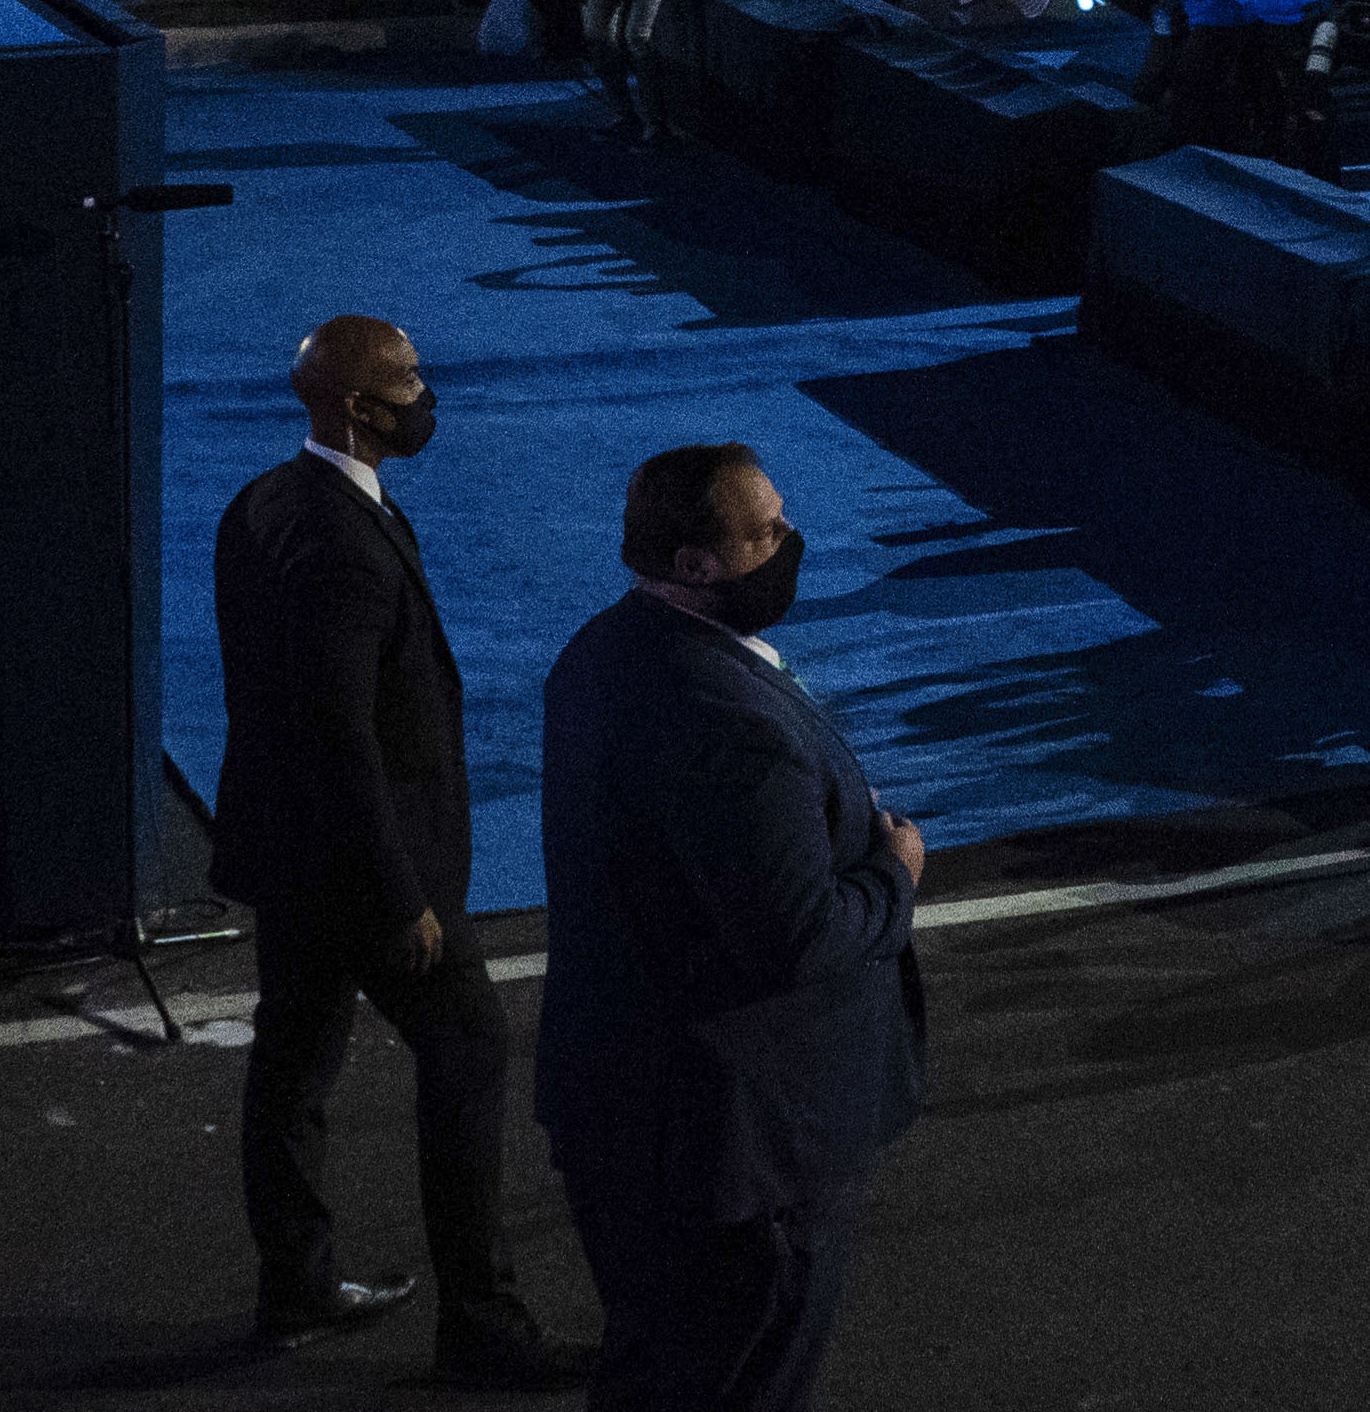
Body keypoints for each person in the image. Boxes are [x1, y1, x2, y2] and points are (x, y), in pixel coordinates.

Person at [207, 319, 585, 1386]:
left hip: (286, 850)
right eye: (407, 381)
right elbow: (340, 732)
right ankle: (483, 1325)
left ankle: (297, 1286)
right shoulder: (343, 548)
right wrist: (401, 894)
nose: (425, 394)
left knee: (293, 1059)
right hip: (362, 867)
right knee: (466, 1056)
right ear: (355, 408)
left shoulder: (264, 504)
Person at [538, 444, 926, 1412]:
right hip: (738, 1143)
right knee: (740, 1375)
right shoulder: (723, 714)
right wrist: (894, 872)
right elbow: (799, 938)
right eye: (765, 532)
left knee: (657, 1369)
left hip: (631, 1105)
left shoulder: (603, 650)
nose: (790, 543)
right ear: (695, 563)